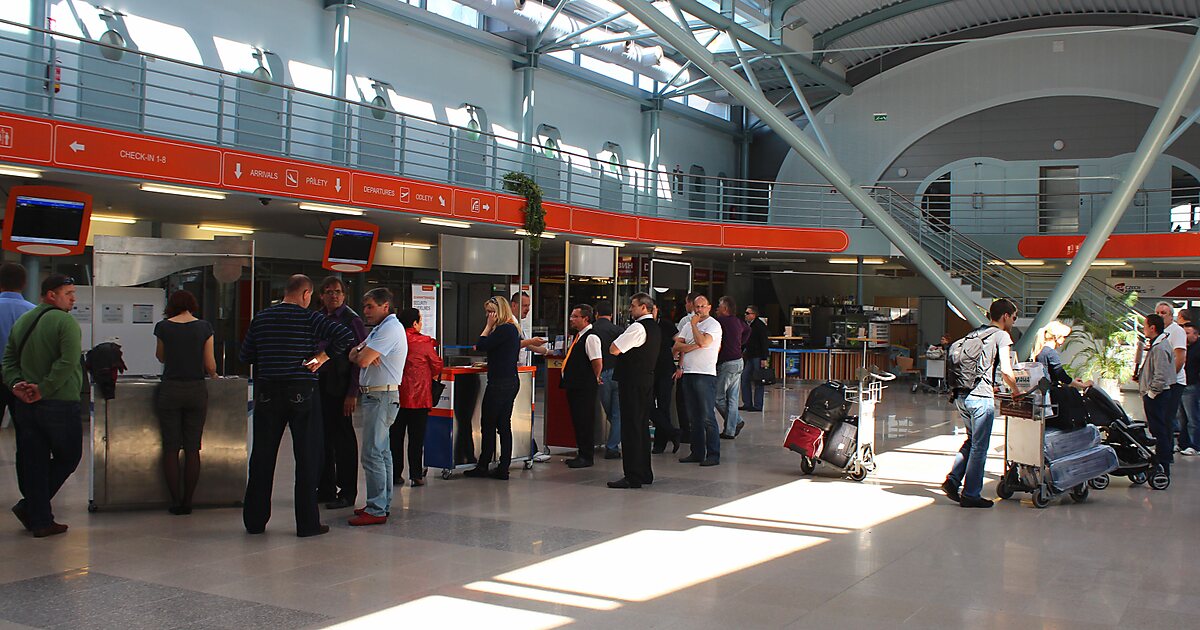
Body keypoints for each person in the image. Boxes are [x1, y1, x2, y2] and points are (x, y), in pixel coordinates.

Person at [240, 274, 354, 538]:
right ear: (306, 294)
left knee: (262, 457)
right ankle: (307, 524)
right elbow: (345, 335)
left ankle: (255, 521)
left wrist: (270, 355)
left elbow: (245, 354)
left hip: (268, 392)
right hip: (302, 391)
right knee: (307, 458)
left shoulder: (262, 318)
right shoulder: (310, 318)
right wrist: (321, 357)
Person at [3, 274, 83, 537]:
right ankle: (33, 508)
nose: (73, 298)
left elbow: (9, 359)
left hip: (26, 405)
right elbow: (68, 361)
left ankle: (39, 518)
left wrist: (16, 385)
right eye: (68, 293)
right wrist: (44, 388)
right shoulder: (65, 322)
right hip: (59, 403)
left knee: (33, 460)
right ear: (51, 295)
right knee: (69, 456)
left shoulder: (24, 320)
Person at [942, 298, 1023, 509]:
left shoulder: (976, 333)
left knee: (971, 441)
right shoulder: (1002, 336)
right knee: (979, 447)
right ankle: (971, 494)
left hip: (961, 395)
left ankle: (952, 481)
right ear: (1005, 316)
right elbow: (1006, 369)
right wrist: (1016, 391)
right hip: (980, 398)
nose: (1014, 322)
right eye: (1014, 317)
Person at [153, 290, 217, 515]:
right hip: (196, 390)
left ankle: (174, 501)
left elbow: (160, 356)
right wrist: (215, 375)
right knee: (192, 448)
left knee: (171, 448)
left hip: (170, 389)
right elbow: (210, 365)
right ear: (192, 304)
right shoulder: (204, 327)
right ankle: (188, 501)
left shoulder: (163, 327)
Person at [347, 288, 408, 526]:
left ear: (385, 306)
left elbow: (359, 359)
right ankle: (381, 502)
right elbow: (353, 353)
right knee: (382, 452)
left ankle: (376, 508)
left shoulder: (390, 329)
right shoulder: (379, 330)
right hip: (376, 396)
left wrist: (363, 353)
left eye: (370, 306)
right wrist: (364, 352)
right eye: (364, 306)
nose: (365, 311)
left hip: (381, 396)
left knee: (373, 452)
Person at [315, 276, 367, 509]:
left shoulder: (352, 320)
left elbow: (360, 357)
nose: (333, 295)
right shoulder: (317, 318)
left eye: (337, 291)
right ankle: (325, 488)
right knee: (322, 439)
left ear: (344, 295)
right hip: (319, 384)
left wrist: (352, 392)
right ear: (321, 295)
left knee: (343, 440)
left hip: (342, 385)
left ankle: (347, 491)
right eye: (328, 291)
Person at [607, 293, 661, 488]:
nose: (630, 309)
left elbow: (615, 349)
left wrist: (619, 339)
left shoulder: (637, 327)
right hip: (646, 379)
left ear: (644, 308)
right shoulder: (654, 327)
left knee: (631, 428)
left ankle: (633, 475)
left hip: (632, 381)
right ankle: (645, 472)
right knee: (641, 427)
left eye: (633, 305)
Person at [466, 296, 521, 480]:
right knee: (503, 425)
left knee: (489, 424)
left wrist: (488, 327)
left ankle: (484, 465)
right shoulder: (512, 329)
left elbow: (481, 345)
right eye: (487, 312)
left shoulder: (503, 329)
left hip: (499, 383)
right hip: (510, 380)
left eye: (491, 312)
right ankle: (503, 466)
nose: (489, 316)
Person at [392, 307, 442, 486]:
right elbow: (437, 365)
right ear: (415, 323)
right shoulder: (424, 342)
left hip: (396, 395)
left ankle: (395, 474)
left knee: (395, 437)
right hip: (419, 397)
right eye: (420, 320)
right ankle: (415, 474)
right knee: (416, 438)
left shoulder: (394, 339)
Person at [675, 295, 723, 466]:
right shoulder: (687, 325)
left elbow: (703, 341)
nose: (699, 310)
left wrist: (695, 326)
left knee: (707, 416)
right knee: (693, 416)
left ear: (709, 307)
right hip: (688, 373)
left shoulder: (713, 325)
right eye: (697, 306)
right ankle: (697, 452)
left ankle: (713, 454)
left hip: (705, 374)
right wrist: (692, 345)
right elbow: (676, 347)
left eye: (703, 306)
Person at [1135, 302, 1187, 453]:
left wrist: (1155, 390)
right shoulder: (1158, 341)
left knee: (1164, 423)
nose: (1160, 315)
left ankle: (1164, 458)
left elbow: (1174, 362)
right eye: (1157, 312)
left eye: (1163, 313)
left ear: (1171, 315)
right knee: (1160, 425)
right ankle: (1163, 454)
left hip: (1167, 386)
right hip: (1162, 386)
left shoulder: (1173, 335)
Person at [510, 290, 550, 463]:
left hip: (522, 373)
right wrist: (532, 342)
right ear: (514, 305)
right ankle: (528, 448)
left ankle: (529, 448)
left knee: (522, 413)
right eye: (524, 306)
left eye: (528, 306)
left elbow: (528, 345)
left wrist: (548, 351)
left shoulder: (517, 324)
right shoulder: (509, 324)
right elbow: (518, 344)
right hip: (513, 373)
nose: (527, 310)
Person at [561, 304, 603, 468]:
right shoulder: (578, 336)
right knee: (578, 419)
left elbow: (597, 361)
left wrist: (595, 377)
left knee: (585, 420)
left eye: (575, 316)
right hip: (575, 385)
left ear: (585, 318)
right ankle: (581, 452)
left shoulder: (591, 337)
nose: (572, 319)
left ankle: (587, 455)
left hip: (584, 386)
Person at [1139, 313, 1177, 482]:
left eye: (1145, 326)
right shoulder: (1158, 345)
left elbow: (1160, 375)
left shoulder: (1160, 347)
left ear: (1152, 328)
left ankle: (1163, 465)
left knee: (1159, 431)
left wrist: (1151, 393)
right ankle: (1162, 462)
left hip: (1157, 396)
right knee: (1159, 429)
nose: (1144, 329)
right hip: (1157, 394)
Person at [0, 264, 35, 430]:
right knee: (25, 429)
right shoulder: (35, 313)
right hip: (24, 377)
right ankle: (25, 457)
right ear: (24, 284)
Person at [714, 296, 750, 439]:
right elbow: (748, 331)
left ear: (725, 309)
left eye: (719, 306)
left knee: (717, 397)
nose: (717, 309)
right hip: (738, 360)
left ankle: (736, 422)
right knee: (733, 398)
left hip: (727, 363)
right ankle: (730, 429)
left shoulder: (720, 322)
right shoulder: (738, 322)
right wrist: (740, 344)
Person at [592, 300, 623, 460]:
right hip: (618, 374)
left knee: (610, 410)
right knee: (617, 413)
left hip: (601, 373)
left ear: (596, 314)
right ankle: (612, 446)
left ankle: (613, 442)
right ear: (611, 315)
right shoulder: (618, 330)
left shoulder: (592, 330)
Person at [651, 305, 681, 454]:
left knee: (664, 405)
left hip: (665, 369)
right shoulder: (642, 326)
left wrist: (675, 356)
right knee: (648, 405)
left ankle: (660, 443)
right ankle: (672, 432)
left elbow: (679, 341)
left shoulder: (666, 324)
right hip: (649, 370)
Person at [1030, 321, 1091, 390]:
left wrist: (1072, 382)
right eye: (1064, 337)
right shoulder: (1050, 352)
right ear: (1057, 336)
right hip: (1049, 391)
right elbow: (1061, 375)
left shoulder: (1040, 351)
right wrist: (1082, 385)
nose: (1065, 340)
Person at [740, 304, 769, 413]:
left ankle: (757, 405)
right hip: (750, 356)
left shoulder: (760, 326)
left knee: (758, 380)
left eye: (748, 313)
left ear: (754, 315)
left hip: (758, 356)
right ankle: (747, 403)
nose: (745, 315)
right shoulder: (748, 325)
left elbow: (764, 342)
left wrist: (764, 358)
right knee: (745, 378)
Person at [1179, 322, 1200, 457]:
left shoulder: (1197, 349)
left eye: (1188, 333)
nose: (1185, 336)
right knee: (1182, 417)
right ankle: (1183, 443)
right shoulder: (1184, 348)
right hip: (1182, 385)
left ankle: (1195, 445)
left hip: (1192, 385)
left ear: (1196, 334)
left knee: (1193, 417)